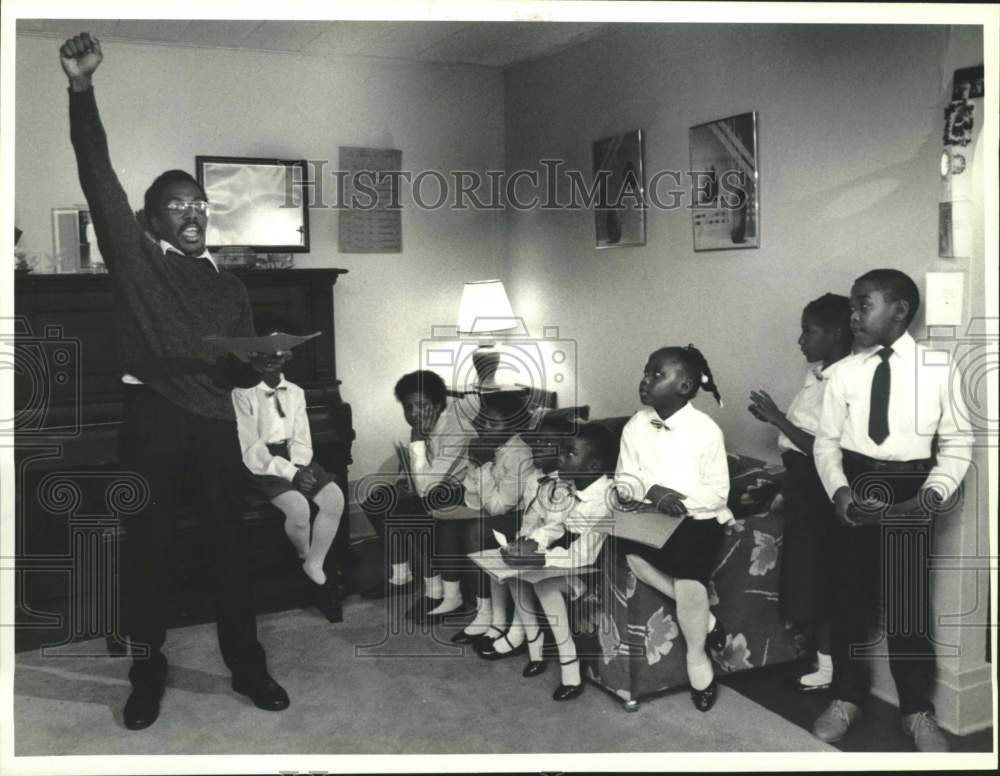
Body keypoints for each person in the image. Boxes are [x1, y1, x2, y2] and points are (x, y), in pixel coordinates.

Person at [60, 33, 289, 730]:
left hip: (218, 422)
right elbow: (98, 174)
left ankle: (247, 667)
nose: (193, 212)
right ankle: (147, 671)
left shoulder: (229, 285)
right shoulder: (135, 261)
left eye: (200, 205)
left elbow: (238, 370)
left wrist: (260, 365)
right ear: (153, 219)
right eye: (179, 205)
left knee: (231, 547)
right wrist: (81, 89)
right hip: (154, 417)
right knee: (149, 552)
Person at [811, 269, 971, 752]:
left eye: (864, 305)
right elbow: (826, 444)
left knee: (907, 610)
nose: (853, 315)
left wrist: (931, 497)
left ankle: (917, 711)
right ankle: (846, 697)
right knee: (848, 601)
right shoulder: (842, 374)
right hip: (856, 487)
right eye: (854, 306)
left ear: (899, 311)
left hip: (911, 490)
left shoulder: (940, 369)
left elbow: (958, 443)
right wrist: (839, 491)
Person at [614, 345, 731, 712]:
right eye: (646, 372)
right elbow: (623, 479)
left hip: (697, 518)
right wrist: (652, 492)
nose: (645, 380)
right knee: (627, 550)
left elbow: (717, 492)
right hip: (652, 513)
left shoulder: (705, 430)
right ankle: (708, 620)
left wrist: (676, 499)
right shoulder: (636, 424)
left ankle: (698, 661)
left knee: (688, 573)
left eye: (657, 374)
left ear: (685, 386)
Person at [747, 293, 853, 692]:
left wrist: (775, 417)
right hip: (800, 482)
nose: (800, 339)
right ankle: (818, 659)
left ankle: (828, 668)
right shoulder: (818, 373)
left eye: (809, 331)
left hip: (819, 484)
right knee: (805, 575)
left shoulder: (844, 382)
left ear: (837, 333)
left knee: (820, 577)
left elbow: (824, 447)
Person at [232, 332, 346, 623]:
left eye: (279, 355)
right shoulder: (241, 393)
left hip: (294, 458)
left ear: (288, 357)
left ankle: (314, 565)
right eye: (264, 357)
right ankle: (304, 555)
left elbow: (301, 436)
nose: (272, 362)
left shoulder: (295, 392)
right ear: (253, 359)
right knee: (299, 509)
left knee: (334, 498)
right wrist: (292, 475)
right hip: (262, 464)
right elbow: (251, 449)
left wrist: (302, 467)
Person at [505, 422, 616, 701]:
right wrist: (533, 542)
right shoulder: (570, 485)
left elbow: (584, 554)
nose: (560, 458)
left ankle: (570, 668)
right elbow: (558, 526)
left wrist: (539, 556)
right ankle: (535, 648)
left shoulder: (604, 499)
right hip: (569, 561)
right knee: (513, 571)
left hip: (592, 573)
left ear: (593, 466)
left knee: (545, 583)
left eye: (569, 453)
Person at [360, 371, 477, 623]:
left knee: (410, 509)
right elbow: (417, 475)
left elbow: (427, 486)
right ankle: (402, 576)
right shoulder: (426, 425)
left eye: (422, 405)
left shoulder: (456, 431)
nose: (414, 413)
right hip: (433, 487)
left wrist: (418, 441)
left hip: (461, 492)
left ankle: (435, 592)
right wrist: (403, 480)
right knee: (376, 501)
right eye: (408, 407)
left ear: (437, 405)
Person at [447, 391, 536, 637]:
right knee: (447, 521)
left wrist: (484, 466)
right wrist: (477, 463)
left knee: (476, 532)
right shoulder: (484, 446)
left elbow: (499, 508)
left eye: (493, 423)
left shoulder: (520, 455)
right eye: (483, 421)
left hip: (520, 519)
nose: (484, 427)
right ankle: (451, 596)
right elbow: (472, 499)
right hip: (495, 513)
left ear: (514, 426)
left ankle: (486, 613)